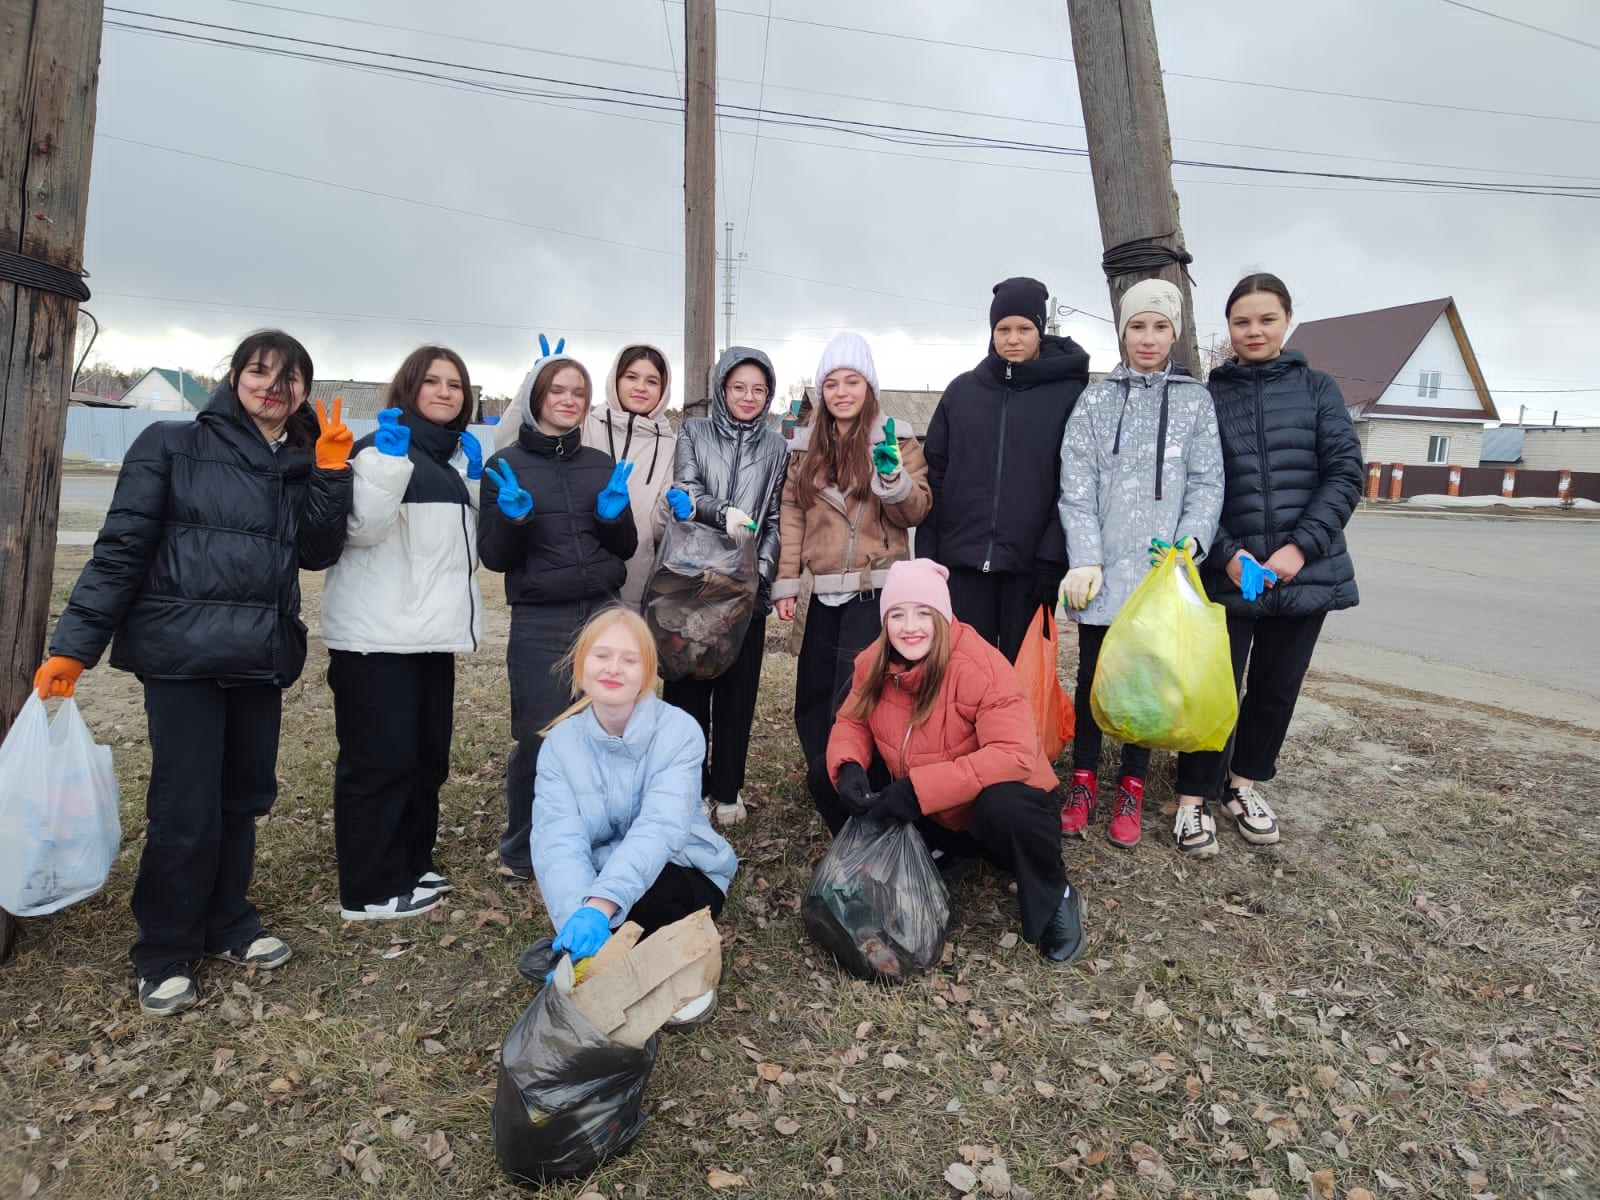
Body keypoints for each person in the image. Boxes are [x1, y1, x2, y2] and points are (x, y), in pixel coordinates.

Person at [34, 330, 353, 1016]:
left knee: (244, 797)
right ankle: (164, 949)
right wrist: (74, 646)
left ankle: (226, 922)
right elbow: (120, 549)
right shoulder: (171, 445)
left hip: (258, 657)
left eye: (291, 378)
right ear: (233, 377)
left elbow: (317, 553)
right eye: (261, 372)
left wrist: (330, 473)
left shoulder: (298, 460)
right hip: (183, 657)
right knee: (185, 807)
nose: (275, 387)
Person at [1172, 273, 1363, 853]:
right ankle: (1192, 797)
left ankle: (1242, 784)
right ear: (1226, 329)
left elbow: (1345, 473)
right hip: (1228, 573)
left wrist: (1299, 547)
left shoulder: (1318, 389)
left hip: (1305, 571)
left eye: (1266, 319)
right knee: (1212, 688)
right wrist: (1227, 554)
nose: (1253, 331)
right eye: (1241, 321)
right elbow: (1193, 483)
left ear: (1286, 322)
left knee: (1277, 690)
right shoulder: (1207, 396)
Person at [815, 559, 1087, 965]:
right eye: (898, 615)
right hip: (933, 813)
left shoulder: (981, 664)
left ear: (942, 616)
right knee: (827, 775)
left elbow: (1013, 754)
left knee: (1007, 806)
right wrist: (850, 765)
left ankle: (1055, 897)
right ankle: (924, 856)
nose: (911, 626)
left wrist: (916, 790)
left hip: (988, 812)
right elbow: (852, 720)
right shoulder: (874, 662)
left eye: (924, 613)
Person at [1057, 279, 1224, 850]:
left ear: (1174, 333)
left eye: (1160, 326)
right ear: (1123, 331)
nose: (1148, 338)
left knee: (1145, 685)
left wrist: (1186, 548)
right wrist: (1085, 560)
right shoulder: (1096, 400)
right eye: (1137, 326)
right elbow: (1075, 486)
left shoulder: (1194, 402)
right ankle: (1082, 782)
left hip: (1160, 575)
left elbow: (1207, 483)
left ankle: (1131, 784)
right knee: (1093, 679)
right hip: (1101, 576)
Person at [320, 345, 484, 920]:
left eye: (456, 385)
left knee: (425, 759)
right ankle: (367, 889)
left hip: (429, 638)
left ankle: (411, 862)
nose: (445, 392)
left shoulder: (452, 461)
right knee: (379, 762)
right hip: (376, 640)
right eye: (432, 382)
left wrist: (476, 484)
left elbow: (463, 554)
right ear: (407, 387)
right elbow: (360, 531)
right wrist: (386, 466)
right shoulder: (377, 452)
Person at [531, 608, 737, 1028]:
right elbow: (558, 842)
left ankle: (664, 973)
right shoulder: (559, 745)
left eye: (629, 659)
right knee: (587, 909)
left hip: (682, 867)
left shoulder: (679, 732)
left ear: (648, 672)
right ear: (580, 664)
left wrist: (601, 907)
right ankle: (601, 960)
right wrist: (579, 913)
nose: (613, 669)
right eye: (602, 656)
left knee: (654, 898)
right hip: (600, 880)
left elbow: (660, 829)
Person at [479, 351, 637, 885]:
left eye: (578, 394)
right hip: (540, 618)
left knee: (608, 728)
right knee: (541, 734)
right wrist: (516, 518)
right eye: (558, 391)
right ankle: (522, 848)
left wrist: (612, 516)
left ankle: (597, 837)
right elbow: (496, 557)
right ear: (536, 398)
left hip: (601, 612)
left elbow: (627, 545)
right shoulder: (504, 468)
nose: (568, 401)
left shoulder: (599, 463)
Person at [773, 332, 932, 777]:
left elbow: (916, 510)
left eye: (852, 382)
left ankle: (865, 780)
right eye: (832, 384)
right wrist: (786, 582)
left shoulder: (897, 441)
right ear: (821, 392)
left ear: (869, 388)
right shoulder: (804, 449)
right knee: (813, 694)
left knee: (860, 693)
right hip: (819, 588)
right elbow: (792, 515)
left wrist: (894, 479)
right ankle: (825, 780)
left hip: (875, 588)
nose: (842, 393)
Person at [920, 276, 1090, 662]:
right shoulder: (962, 393)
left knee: (1021, 682)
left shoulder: (1068, 395)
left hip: (1029, 571)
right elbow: (936, 474)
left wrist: (1052, 556)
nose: (1013, 339)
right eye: (1003, 329)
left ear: (1040, 331)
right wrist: (928, 555)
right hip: (962, 565)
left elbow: (1074, 482)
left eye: (1024, 329)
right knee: (964, 671)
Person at [662, 346, 788, 827]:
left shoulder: (776, 447)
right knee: (686, 688)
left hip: (744, 586)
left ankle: (728, 788)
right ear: (721, 388)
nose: (749, 396)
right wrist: (724, 513)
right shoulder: (693, 431)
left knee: (738, 693)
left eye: (758, 389)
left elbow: (774, 517)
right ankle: (689, 786)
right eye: (739, 387)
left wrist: (763, 574)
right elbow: (688, 492)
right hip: (692, 578)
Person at [583, 344, 677, 609]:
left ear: (663, 389)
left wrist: (672, 510)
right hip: (581, 574)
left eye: (652, 381)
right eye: (631, 377)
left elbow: (659, 529)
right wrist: (532, 387)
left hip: (636, 581)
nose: (641, 387)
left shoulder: (669, 446)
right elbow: (508, 440)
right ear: (615, 379)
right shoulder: (586, 425)